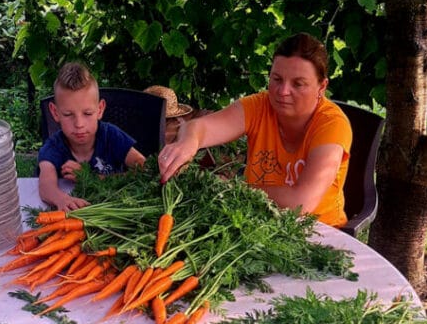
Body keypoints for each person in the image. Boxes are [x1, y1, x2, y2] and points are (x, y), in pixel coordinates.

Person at [158, 33, 352, 228]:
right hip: (258, 224)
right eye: (277, 79)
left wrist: (234, 188)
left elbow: (301, 203)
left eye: (298, 84)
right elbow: (199, 127)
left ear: (322, 87)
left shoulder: (332, 124)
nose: (282, 91)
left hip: (321, 235)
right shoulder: (260, 106)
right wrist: (188, 142)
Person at [38, 62, 146, 211]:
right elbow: (46, 186)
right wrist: (61, 199)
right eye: (68, 114)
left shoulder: (111, 136)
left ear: (100, 109)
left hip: (113, 209)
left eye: (87, 114)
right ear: (55, 112)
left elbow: (142, 167)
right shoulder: (54, 146)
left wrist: (89, 177)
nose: (79, 124)